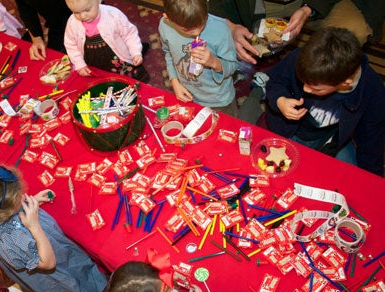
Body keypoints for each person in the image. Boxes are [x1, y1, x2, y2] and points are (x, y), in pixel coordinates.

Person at [265, 27, 385, 176]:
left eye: (316, 88)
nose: (306, 89)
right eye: (302, 81)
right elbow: (274, 82)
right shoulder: (302, 58)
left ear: (345, 82)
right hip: (287, 131)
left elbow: (371, 142)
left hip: (332, 141)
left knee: (350, 179)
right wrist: (279, 100)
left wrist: (373, 180)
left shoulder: (372, 90)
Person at [208, 0, 384, 64]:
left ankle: (324, 76)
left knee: (351, 33)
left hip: (318, 2)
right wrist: (228, 26)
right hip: (260, 4)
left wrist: (309, 9)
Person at [159, 0, 239, 116]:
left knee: (226, 128)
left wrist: (214, 62)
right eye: (187, 30)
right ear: (168, 18)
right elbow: (168, 53)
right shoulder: (164, 26)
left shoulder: (221, 29)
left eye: (203, 24)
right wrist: (174, 81)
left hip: (218, 100)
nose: (197, 33)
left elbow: (233, 65)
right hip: (187, 94)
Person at [64, 0, 150, 82]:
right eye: (76, 12)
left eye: (87, 10)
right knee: (104, 86)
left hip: (120, 62)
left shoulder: (113, 15)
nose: (83, 16)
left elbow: (129, 34)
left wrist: (136, 52)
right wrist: (80, 64)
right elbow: (71, 45)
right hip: (93, 64)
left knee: (132, 83)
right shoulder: (72, 23)